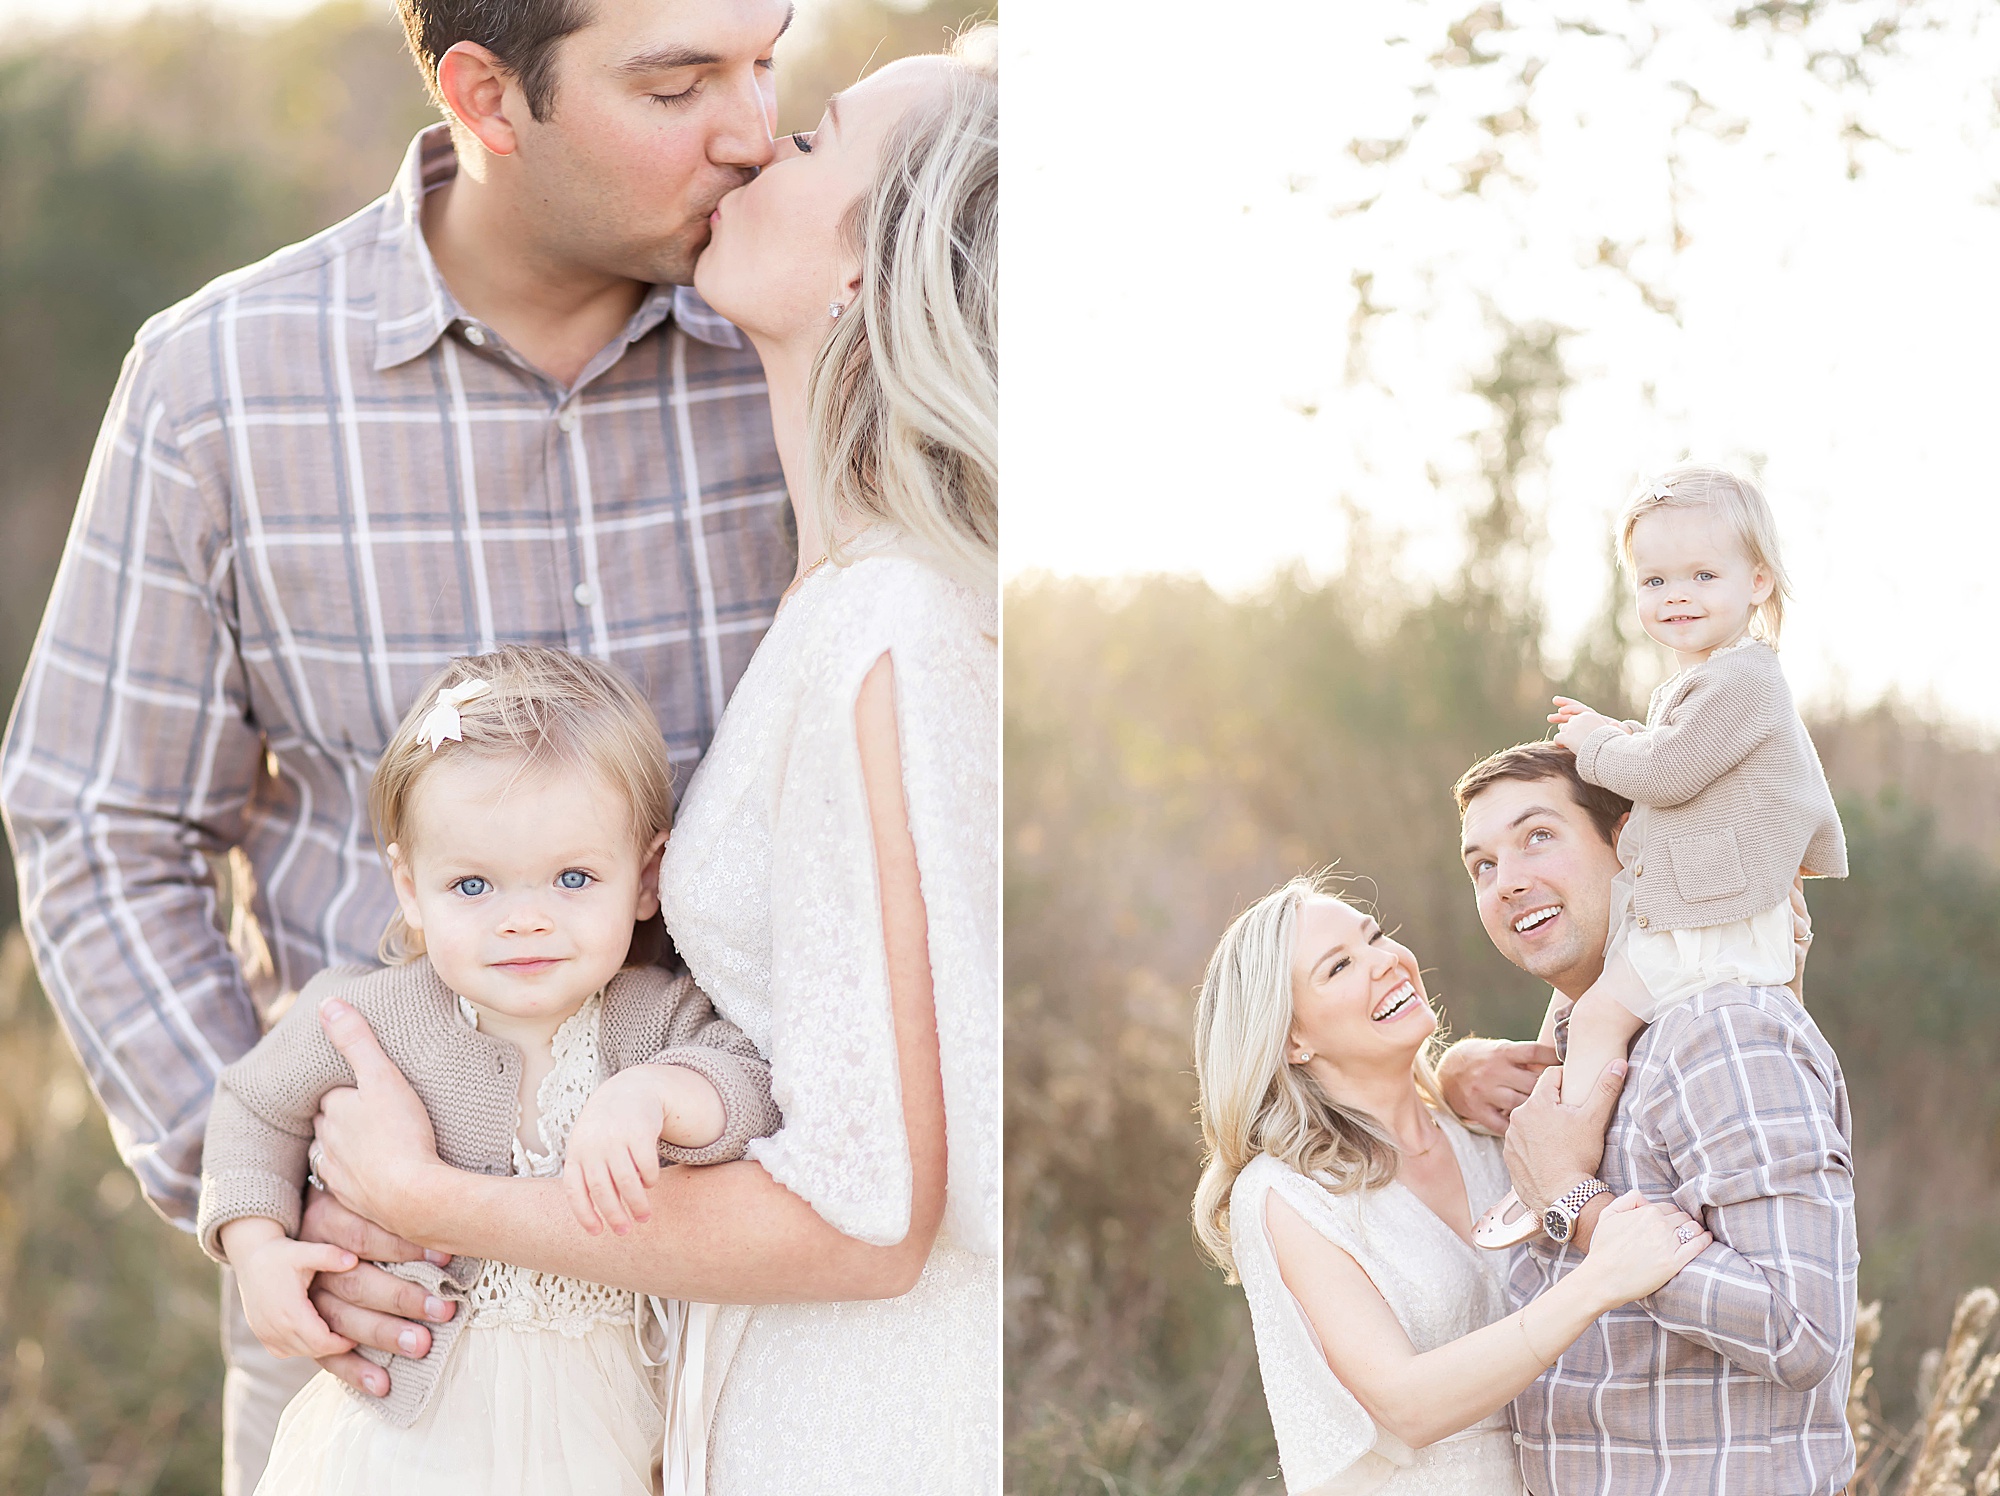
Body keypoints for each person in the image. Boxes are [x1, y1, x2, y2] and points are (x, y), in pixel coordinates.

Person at [0, 1, 796, 1487]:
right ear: (487, 95)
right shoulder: (216, 385)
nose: (753, 129)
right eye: (680, 82)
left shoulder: (808, 340)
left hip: (764, 1328)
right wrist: (280, 1203)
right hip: (379, 1336)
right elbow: (100, 827)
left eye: (768, 58)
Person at [303, 36, 1000, 1493]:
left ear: (875, 269)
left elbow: (872, 1216)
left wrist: (430, 1196)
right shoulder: (840, 604)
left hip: (864, 1426)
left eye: (807, 138)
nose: (753, 143)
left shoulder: (892, 627)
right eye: (702, 94)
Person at [200, 647, 778, 1493]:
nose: (524, 921)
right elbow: (252, 1107)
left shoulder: (654, 1020)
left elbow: (753, 1086)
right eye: (473, 886)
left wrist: (656, 1096)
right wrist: (254, 1249)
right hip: (414, 1436)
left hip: (603, 1427)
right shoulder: (368, 1014)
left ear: (647, 876)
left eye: (573, 878)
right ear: (409, 887)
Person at [1192, 873, 1710, 1495]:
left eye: (1376, 936)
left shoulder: (1491, 1132)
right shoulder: (1286, 1193)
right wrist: (1599, 1281)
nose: (1385, 963)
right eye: (1339, 967)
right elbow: (1407, 1406)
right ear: (1292, 1038)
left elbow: (1590, 1010)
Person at [1446, 739, 1859, 1493]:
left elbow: (1804, 1331)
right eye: (1483, 865)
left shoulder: (1720, 1031)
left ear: (1633, 843)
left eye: (1539, 836)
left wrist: (1578, 1204)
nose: (1507, 883)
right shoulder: (1576, 1047)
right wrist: (1449, 1074)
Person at [1476, 464, 1847, 1247]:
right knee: (1583, 1007)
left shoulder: (1746, 679)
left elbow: (1669, 771)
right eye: (1654, 579)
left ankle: (1559, 1170)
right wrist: (1617, 732)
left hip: (1715, 917)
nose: (1674, 595)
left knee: (1605, 1011)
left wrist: (1595, 742)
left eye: (1702, 575)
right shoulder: (1708, 682)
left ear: (1758, 582)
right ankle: (1578, 1141)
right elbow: (1678, 757)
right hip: (1708, 905)